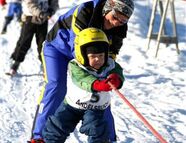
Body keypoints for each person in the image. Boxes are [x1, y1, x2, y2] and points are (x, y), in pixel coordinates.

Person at [31, 0, 134, 142]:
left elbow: (110, 57)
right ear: (106, 9)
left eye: (123, 21)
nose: (117, 23)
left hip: (91, 56)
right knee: (56, 86)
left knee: (101, 97)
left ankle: (108, 139)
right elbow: (79, 50)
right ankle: (39, 136)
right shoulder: (85, 11)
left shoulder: (120, 28)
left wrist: (111, 74)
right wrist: (93, 80)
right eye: (115, 17)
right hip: (58, 49)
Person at [42, 27, 125, 143]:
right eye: (93, 57)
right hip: (72, 105)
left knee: (97, 130)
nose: (98, 59)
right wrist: (97, 84)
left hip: (96, 108)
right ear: (82, 55)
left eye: (101, 55)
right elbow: (82, 79)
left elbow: (118, 72)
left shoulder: (110, 65)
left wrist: (116, 79)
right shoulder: (75, 66)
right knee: (57, 126)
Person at [7, 0, 59, 75]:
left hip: (43, 19)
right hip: (30, 18)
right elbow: (30, 3)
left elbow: (54, 2)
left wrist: (51, 10)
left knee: (43, 44)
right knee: (24, 42)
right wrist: (40, 13)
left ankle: (45, 65)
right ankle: (15, 64)